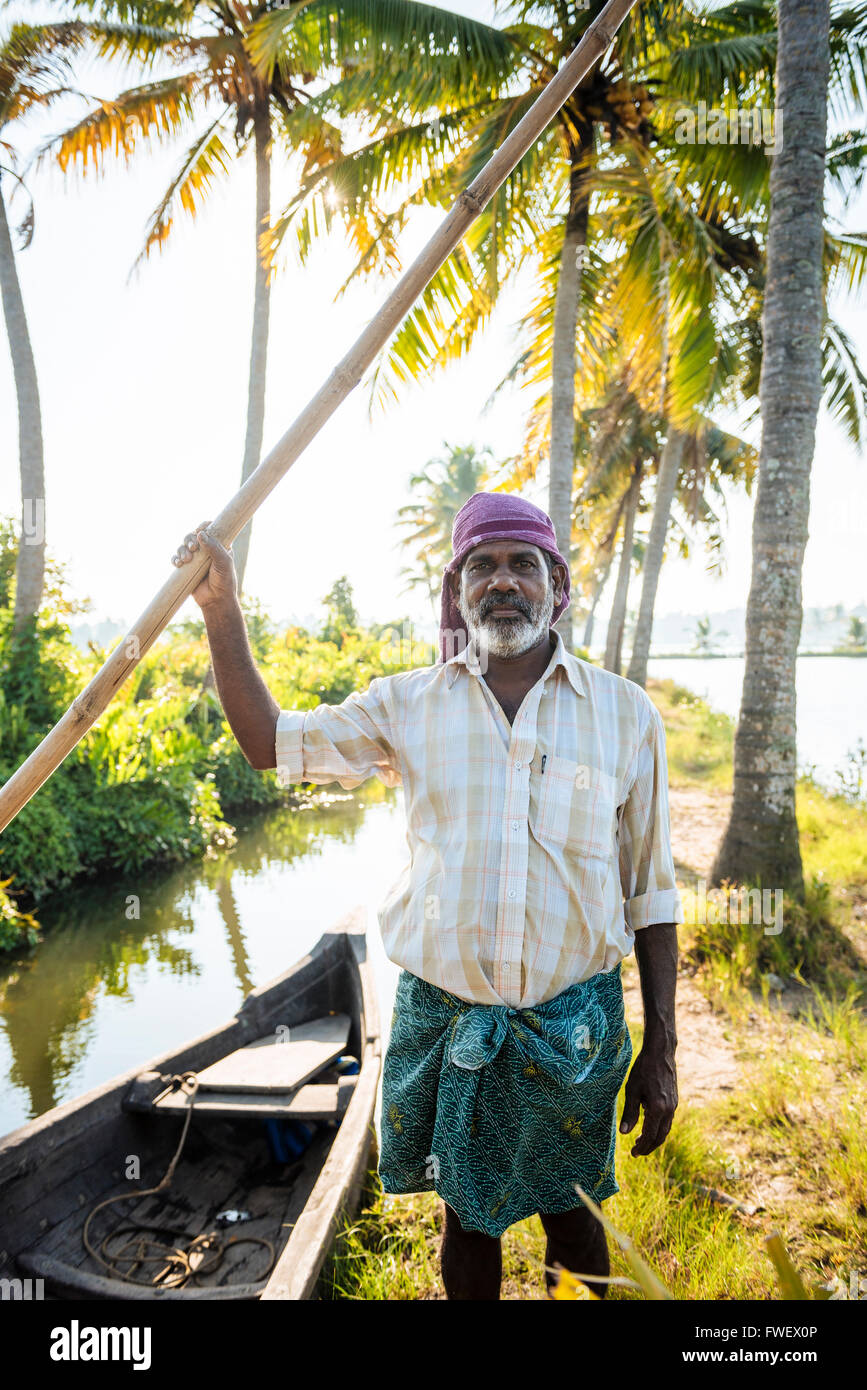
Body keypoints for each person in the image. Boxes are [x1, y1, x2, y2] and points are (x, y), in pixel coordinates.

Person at [172, 491, 682, 1301]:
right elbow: (269, 742)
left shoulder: (625, 714)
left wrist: (662, 1048)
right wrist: (220, 608)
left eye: (523, 564)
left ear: (558, 585)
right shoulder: (405, 704)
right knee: (467, 1216)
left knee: (575, 1212)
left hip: (573, 1021)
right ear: (456, 593)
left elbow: (651, 893)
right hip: (449, 1019)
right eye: (480, 567)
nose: (501, 583)